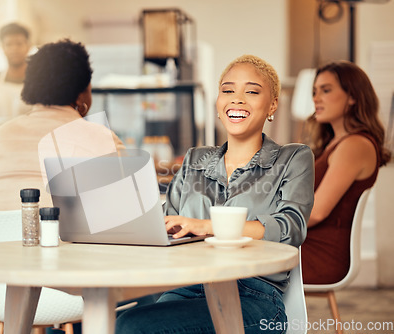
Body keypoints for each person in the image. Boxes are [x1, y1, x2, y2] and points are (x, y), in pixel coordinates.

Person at [115, 55, 315, 334]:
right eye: (228, 90)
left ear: (272, 105)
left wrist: (207, 227)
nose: (238, 99)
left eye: (252, 91)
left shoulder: (293, 157)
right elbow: (167, 224)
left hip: (253, 295)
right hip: (187, 286)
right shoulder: (195, 158)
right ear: (218, 105)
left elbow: (291, 228)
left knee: (132, 327)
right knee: (113, 323)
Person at [0, 38, 125, 211]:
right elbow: (124, 205)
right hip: (58, 236)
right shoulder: (101, 138)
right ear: (83, 91)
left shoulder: (1, 134)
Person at [301, 60, 391, 284]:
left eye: (326, 90)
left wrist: (264, 224)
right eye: (314, 91)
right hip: (306, 245)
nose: (316, 98)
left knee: (237, 259)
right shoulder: (336, 143)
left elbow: (316, 213)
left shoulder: (355, 145)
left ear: (352, 97)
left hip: (321, 256)